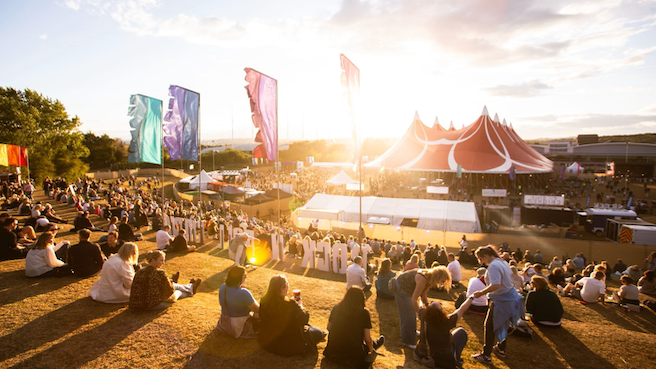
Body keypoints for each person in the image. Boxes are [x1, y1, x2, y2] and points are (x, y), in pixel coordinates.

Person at [471, 246, 524, 364]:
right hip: (509, 297)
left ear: (485, 256)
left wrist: (481, 292)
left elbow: (496, 284)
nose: (481, 262)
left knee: (489, 326)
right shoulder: (502, 262)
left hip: (501, 299)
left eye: (480, 259)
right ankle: (501, 348)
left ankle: (486, 355)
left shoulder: (494, 266)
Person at [258, 275, 325, 356]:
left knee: (310, 328)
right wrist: (300, 305)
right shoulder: (290, 305)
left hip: (268, 341)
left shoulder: (264, 301)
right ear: (282, 288)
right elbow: (304, 319)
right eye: (287, 285)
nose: (288, 288)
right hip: (288, 343)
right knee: (318, 333)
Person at [324, 286, 385, 369]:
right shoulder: (364, 313)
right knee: (367, 343)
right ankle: (375, 344)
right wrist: (371, 350)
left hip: (331, 353)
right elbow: (367, 338)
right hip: (351, 358)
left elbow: (328, 328)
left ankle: (375, 343)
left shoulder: (337, 308)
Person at [393, 266, 452, 349]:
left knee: (410, 313)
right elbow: (414, 299)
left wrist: (428, 306)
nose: (441, 283)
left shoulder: (430, 280)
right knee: (409, 315)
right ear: (438, 276)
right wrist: (419, 314)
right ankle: (407, 341)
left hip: (408, 289)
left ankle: (412, 331)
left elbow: (423, 295)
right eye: (442, 280)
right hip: (401, 288)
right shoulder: (423, 279)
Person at [414, 297, 474, 369]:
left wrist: (422, 297)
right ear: (441, 311)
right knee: (461, 332)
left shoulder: (424, 316)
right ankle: (456, 358)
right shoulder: (446, 322)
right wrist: (471, 297)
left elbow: (421, 305)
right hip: (441, 359)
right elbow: (462, 309)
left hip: (423, 354)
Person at [129, 250, 201, 310]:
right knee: (178, 291)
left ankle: (190, 287)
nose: (163, 263)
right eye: (161, 260)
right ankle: (190, 289)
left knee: (174, 286)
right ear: (153, 260)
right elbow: (169, 292)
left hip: (137, 305)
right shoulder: (160, 273)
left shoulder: (140, 272)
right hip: (152, 305)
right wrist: (170, 284)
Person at [216, 265, 260, 338]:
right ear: (240, 278)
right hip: (237, 325)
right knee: (259, 314)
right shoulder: (243, 293)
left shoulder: (223, 286)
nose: (246, 277)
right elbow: (257, 309)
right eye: (245, 275)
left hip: (224, 321)